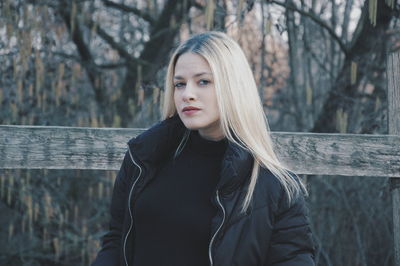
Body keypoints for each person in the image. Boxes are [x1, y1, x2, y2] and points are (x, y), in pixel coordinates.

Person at [92, 31, 315, 266]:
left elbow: (293, 259)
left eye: (203, 82)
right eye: (179, 84)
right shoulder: (143, 158)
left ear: (233, 87)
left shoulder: (275, 187)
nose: (187, 94)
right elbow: (116, 241)